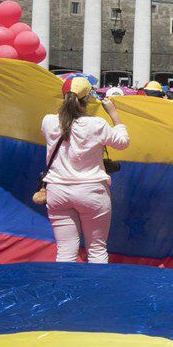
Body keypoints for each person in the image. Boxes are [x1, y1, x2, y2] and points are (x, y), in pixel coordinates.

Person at [41, 76, 129, 263]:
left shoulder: (48, 122)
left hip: (57, 191)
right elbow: (123, 143)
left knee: (65, 252)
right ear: (88, 99)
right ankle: (96, 292)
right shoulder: (97, 124)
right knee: (97, 251)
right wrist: (114, 115)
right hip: (92, 192)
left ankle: (64, 291)